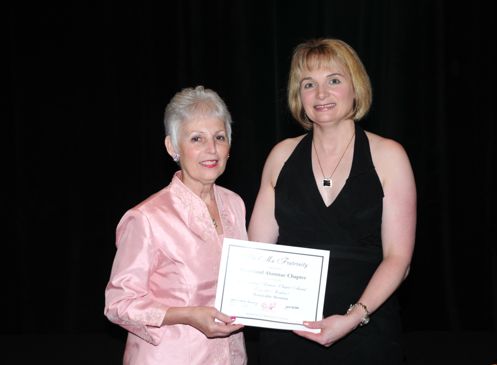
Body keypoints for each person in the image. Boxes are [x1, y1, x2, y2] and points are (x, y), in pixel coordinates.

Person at [248, 38, 416, 364]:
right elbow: (258, 255)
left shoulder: (389, 156)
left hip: (366, 334)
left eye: (334, 81)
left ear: (356, 88)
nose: (321, 94)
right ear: (300, 96)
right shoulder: (280, 156)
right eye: (309, 84)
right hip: (287, 336)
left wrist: (354, 318)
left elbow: (399, 259)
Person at [104, 85, 248, 364]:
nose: (212, 149)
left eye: (219, 137)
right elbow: (118, 304)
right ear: (173, 147)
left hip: (231, 356)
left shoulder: (235, 204)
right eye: (197, 138)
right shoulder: (146, 218)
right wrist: (186, 314)